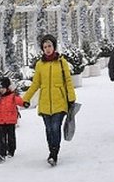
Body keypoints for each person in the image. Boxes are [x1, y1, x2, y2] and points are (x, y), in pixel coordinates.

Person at [22, 34, 77, 166]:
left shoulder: (61, 62)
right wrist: (26, 98)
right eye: (45, 47)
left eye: (49, 46)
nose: (47, 49)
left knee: (55, 127)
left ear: (54, 47)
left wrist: (71, 98)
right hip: (45, 102)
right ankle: (51, 150)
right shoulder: (40, 65)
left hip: (60, 101)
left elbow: (68, 81)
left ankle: (54, 154)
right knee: (48, 129)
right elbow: (35, 84)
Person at [0, 76, 25, 162]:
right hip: (0, 121)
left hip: (11, 120)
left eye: (2, 88)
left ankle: (11, 150)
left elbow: (19, 101)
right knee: (1, 138)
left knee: (11, 137)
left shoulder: (12, 96)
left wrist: (25, 103)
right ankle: (1, 153)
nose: (0, 90)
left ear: (7, 88)